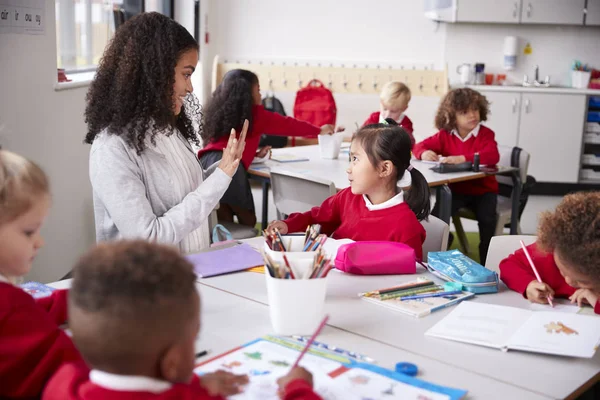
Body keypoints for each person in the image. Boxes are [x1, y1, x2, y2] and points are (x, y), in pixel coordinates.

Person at [43, 240, 323, 400]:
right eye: (194, 336)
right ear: (172, 363)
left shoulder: (61, 383)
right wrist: (298, 389)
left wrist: (195, 386)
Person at [85, 12, 246, 253]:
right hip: (144, 287)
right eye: (186, 74)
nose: (190, 87)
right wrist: (220, 177)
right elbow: (150, 237)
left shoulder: (167, 129)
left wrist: (224, 167)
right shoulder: (111, 148)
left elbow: (188, 192)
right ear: (155, 72)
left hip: (188, 275)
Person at [268, 120, 430, 260]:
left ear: (384, 168)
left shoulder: (406, 228)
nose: (349, 169)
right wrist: (288, 225)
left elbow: (408, 278)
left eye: (355, 159)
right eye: (351, 159)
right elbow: (316, 219)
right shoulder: (347, 197)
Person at [199, 69, 340, 227]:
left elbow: (221, 145)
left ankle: (225, 248)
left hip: (207, 163)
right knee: (248, 221)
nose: (261, 94)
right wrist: (319, 130)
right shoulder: (256, 115)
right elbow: (288, 125)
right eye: (258, 90)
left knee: (222, 219)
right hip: (230, 167)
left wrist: (254, 154)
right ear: (247, 94)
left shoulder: (218, 113)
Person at [0, 150, 81, 398]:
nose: (39, 242)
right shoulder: (11, 308)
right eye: (28, 232)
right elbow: (74, 376)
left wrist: (84, 299)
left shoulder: (14, 306)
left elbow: (31, 311)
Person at [413, 88, 499, 263]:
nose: (472, 115)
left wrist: (462, 158)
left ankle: (487, 256)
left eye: (475, 109)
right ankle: (441, 244)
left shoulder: (485, 134)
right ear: (452, 116)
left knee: (487, 219)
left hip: (483, 191)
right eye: (464, 112)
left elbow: (492, 156)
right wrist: (423, 153)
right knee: (437, 215)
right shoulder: (445, 135)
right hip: (456, 190)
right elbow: (418, 146)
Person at [500, 192, 600, 314]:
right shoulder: (551, 252)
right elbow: (509, 265)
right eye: (562, 270)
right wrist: (528, 285)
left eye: (583, 281)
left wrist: (597, 302)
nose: (569, 281)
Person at [362, 81, 414, 147]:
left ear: (404, 109)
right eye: (385, 109)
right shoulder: (375, 118)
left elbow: (409, 143)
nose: (387, 115)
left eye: (393, 111)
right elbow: (362, 135)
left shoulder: (405, 123)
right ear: (381, 102)